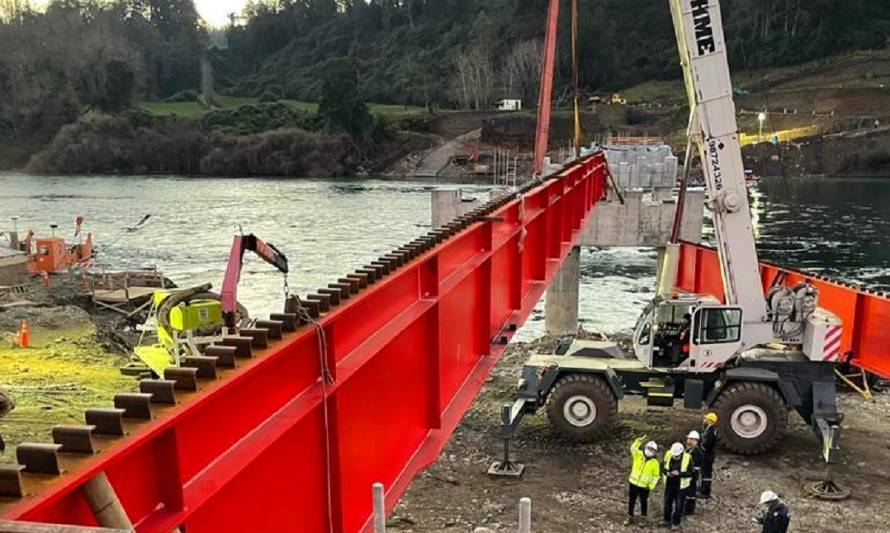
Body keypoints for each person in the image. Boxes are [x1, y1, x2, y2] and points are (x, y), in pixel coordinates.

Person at [625, 436, 661, 526]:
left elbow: (656, 476)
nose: (650, 451)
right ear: (645, 448)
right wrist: (639, 441)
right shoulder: (638, 455)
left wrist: (651, 486)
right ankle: (629, 516)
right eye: (649, 448)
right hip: (633, 483)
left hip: (644, 486)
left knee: (643, 502)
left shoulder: (655, 463)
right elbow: (633, 448)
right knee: (631, 501)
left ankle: (643, 518)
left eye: (652, 450)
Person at [662, 442, 693, 530]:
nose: (674, 457)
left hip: (681, 487)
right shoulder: (668, 454)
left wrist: (679, 474)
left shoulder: (687, 458)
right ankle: (666, 520)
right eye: (674, 455)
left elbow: (691, 473)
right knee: (667, 503)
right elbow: (662, 467)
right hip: (669, 484)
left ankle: (676, 522)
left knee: (679, 505)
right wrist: (667, 473)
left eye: (677, 455)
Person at [700, 412, 719, 499]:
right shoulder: (709, 429)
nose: (704, 420)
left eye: (706, 419)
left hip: (707, 455)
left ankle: (705, 492)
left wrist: (702, 447)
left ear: (710, 421)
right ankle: (703, 488)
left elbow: (708, 444)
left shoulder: (711, 431)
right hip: (708, 454)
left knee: (706, 473)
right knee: (704, 472)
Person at [684, 430, 703, 515]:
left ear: (695, 441)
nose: (688, 441)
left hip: (692, 475)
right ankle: (686, 507)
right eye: (688, 439)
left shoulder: (697, 452)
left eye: (691, 439)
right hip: (687, 474)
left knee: (691, 493)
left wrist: (692, 474)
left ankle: (689, 510)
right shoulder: (688, 450)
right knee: (687, 492)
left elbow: (696, 466)